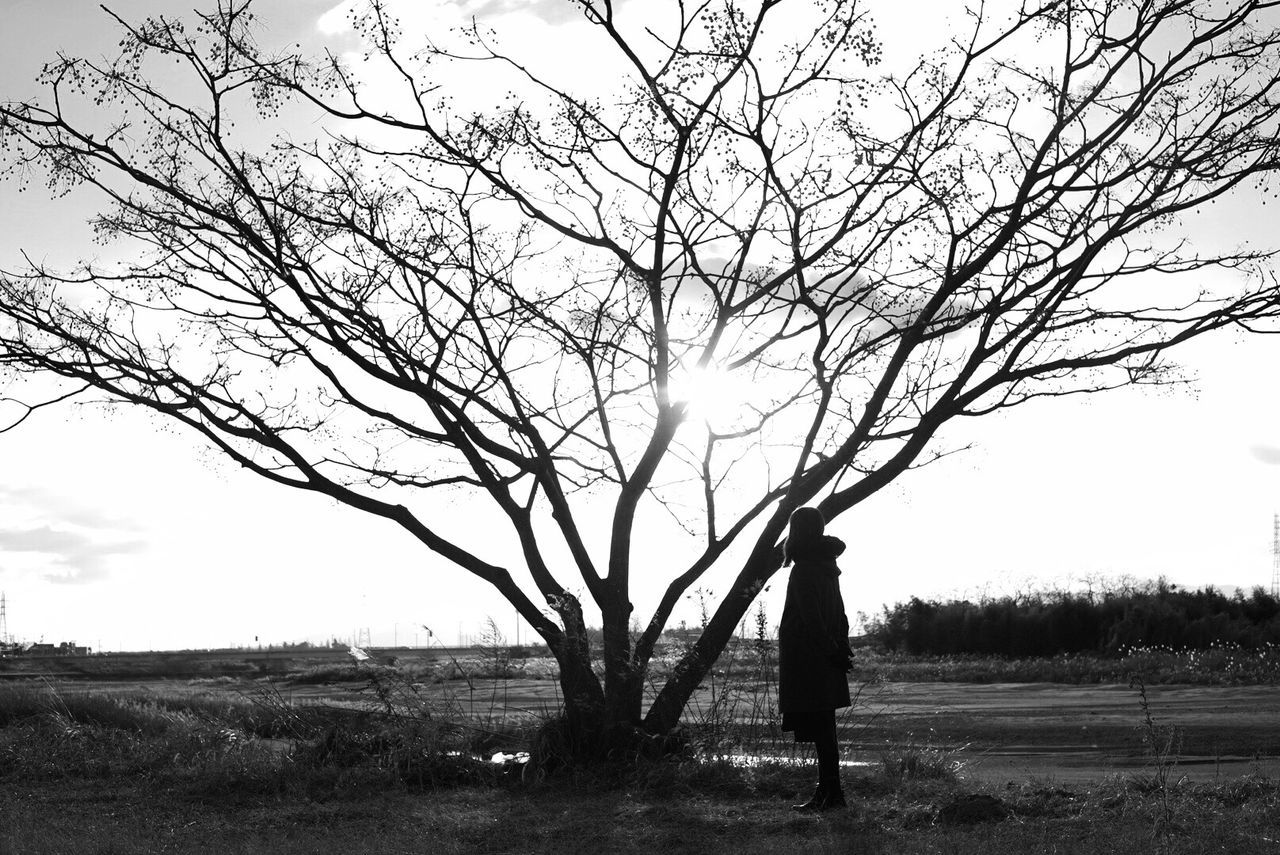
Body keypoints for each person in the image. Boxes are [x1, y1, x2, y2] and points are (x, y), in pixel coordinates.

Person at [778, 505, 853, 811]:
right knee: (825, 729)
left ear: (796, 531)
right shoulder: (826, 566)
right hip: (826, 655)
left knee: (823, 729)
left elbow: (811, 618)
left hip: (809, 658)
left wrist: (829, 649)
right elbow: (840, 612)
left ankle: (831, 794)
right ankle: (828, 792)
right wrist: (839, 648)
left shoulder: (804, 569)